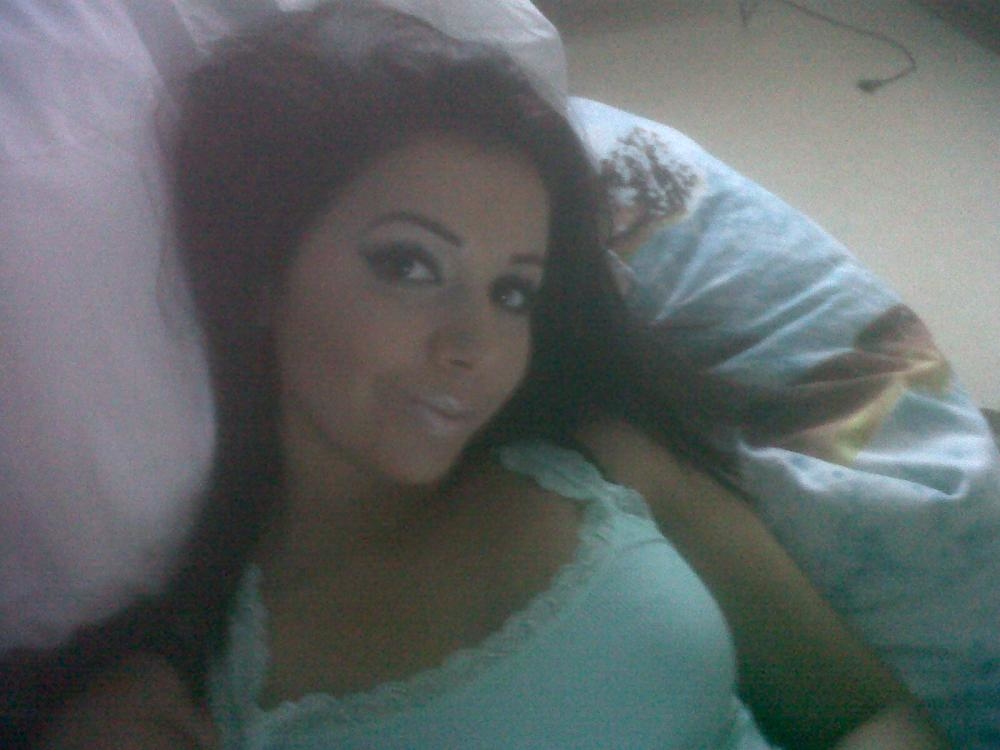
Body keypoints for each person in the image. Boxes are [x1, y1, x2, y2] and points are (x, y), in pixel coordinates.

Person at [35, 2, 949, 748]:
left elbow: (865, 715)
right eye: (409, 265)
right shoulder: (186, 693)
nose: (475, 345)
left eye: (514, 292)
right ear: (265, 277)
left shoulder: (597, 460)